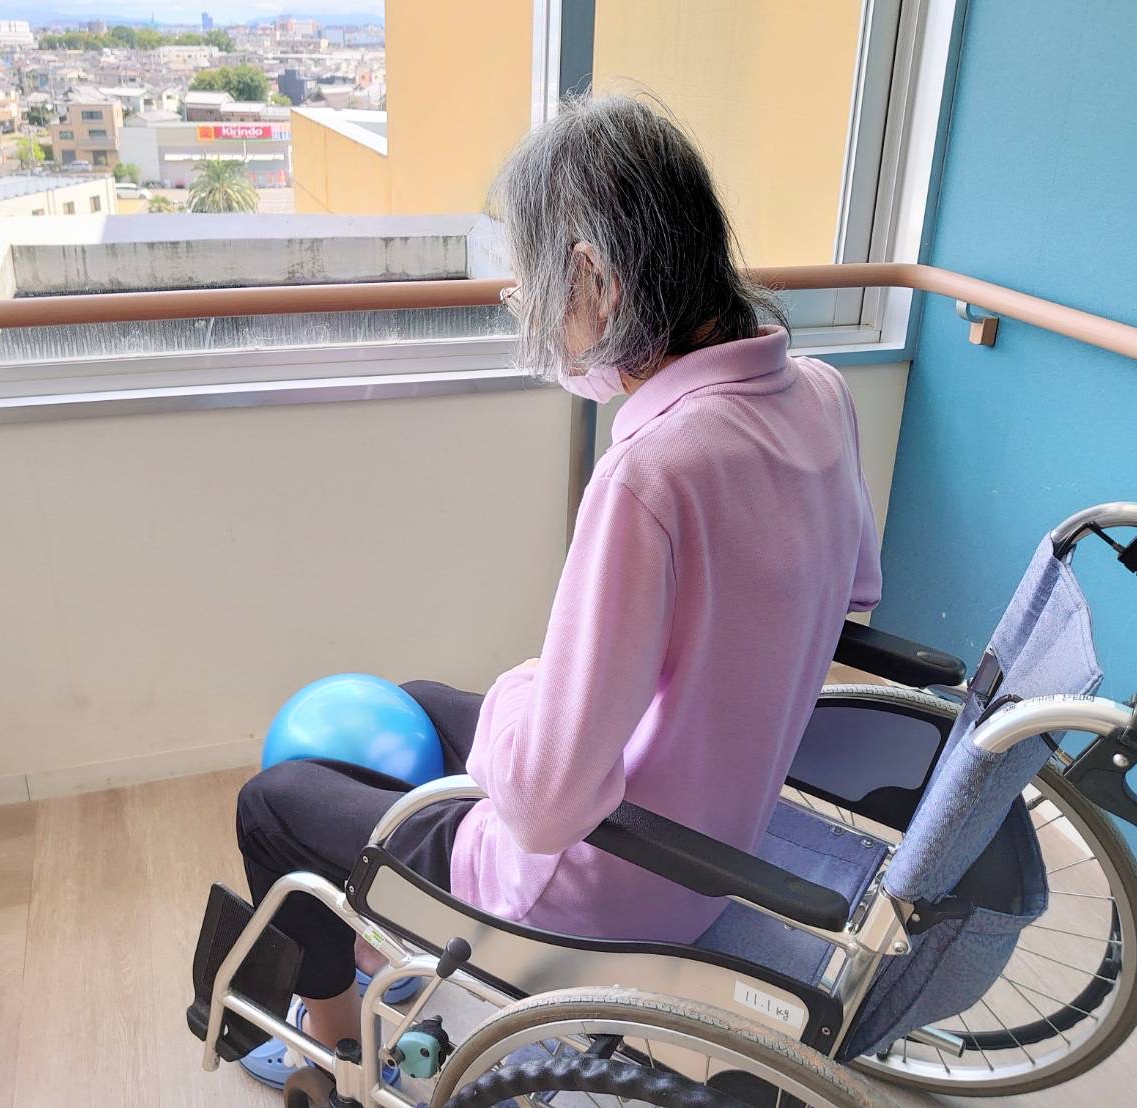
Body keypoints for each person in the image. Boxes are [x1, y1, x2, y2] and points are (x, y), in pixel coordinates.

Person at [232, 93, 881, 1089]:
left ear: (595, 280)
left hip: (607, 889)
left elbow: (540, 809)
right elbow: (850, 596)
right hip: (721, 835)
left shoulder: (653, 471)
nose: (531, 308)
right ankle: (379, 937)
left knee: (275, 805)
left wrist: (522, 694)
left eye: (534, 281)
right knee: (416, 702)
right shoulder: (822, 394)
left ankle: (334, 1044)